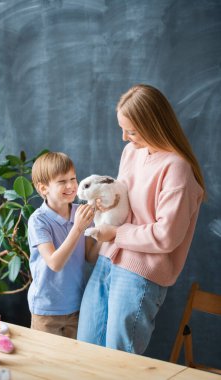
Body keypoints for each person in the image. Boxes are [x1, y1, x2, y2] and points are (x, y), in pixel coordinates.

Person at [77, 84, 206, 354]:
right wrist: (106, 204)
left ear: (154, 125)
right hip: (107, 259)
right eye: (122, 129)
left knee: (119, 361)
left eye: (132, 131)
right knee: (86, 349)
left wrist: (115, 233)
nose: (124, 137)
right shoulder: (132, 152)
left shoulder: (177, 169)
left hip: (140, 272)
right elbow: (125, 202)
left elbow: (165, 236)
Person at [27, 152, 99, 339]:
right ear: (43, 188)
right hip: (46, 310)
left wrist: (107, 228)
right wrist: (77, 228)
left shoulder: (81, 212)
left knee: (74, 362)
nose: (71, 186)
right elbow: (54, 263)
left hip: (77, 305)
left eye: (73, 179)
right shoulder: (38, 220)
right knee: (48, 363)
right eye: (62, 182)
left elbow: (90, 256)